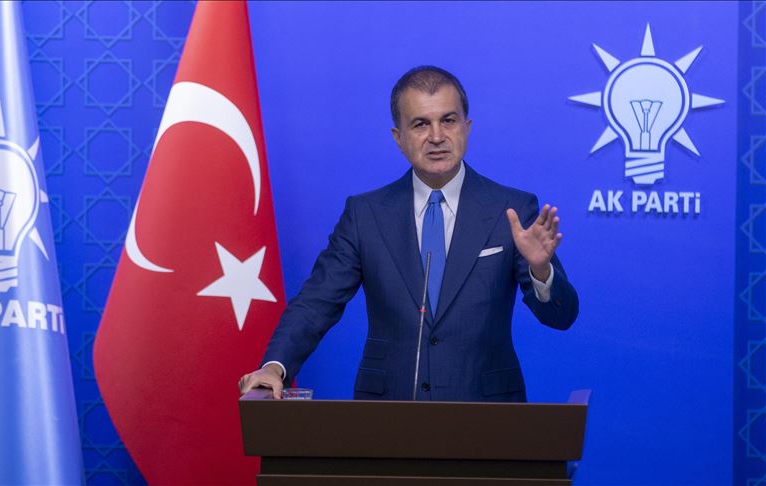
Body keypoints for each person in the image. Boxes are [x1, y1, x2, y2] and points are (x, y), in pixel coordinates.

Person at [238, 66, 578, 402]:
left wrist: (541, 271)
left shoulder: (512, 210)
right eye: (420, 124)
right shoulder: (365, 214)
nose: (436, 136)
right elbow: (317, 301)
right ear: (398, 137)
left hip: (486, 415)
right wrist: (274, 366)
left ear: (467, 127)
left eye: (448, 120)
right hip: (389, 416)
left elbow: (561, 317)